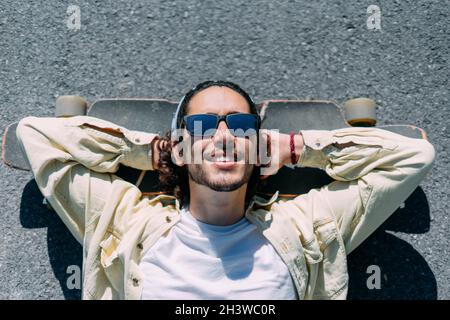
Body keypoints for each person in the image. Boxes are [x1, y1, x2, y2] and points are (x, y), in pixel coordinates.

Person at [15, 80, 435, 300]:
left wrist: (294, 148)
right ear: (182, 145)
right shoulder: (125, 223)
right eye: (200, 126)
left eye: (239, 126)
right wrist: (151, 151)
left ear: (257, 143)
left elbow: (414, 157)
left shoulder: (307, 227)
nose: (223, 138)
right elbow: (35, 135)